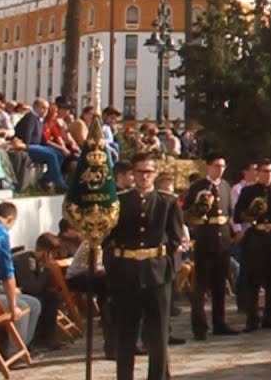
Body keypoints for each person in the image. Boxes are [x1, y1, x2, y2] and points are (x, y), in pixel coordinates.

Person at [104, 153, 183, 380]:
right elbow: (108, 237)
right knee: (126, 333)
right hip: (127, 272)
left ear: (155, 174)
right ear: (132, 174)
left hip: (156, 273)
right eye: (139, 172)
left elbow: (175, 238)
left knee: (157, 336)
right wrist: (113, 265)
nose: (144, 176)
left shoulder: (167, 201)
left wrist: (166, 266)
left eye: (149, 172)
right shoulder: (119, 201)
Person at [183, 152, 238, 340]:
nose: (220, 170)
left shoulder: (224, 186)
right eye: (216, 166)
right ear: (208, 166)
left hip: (222, 240)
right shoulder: (198, 187)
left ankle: (219, 322)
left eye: (223, 166)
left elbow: (228, 212)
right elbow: (188, 213)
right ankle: (199, 326)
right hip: (205, 239)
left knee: (220, 284)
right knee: (201, 286)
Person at [233, 158, 271, 331]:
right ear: (257, 173)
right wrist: (249, 214)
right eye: (265, 172)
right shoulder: (248, 191)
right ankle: (252, 319)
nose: (269, 175)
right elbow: (237, 215)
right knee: (253, 281)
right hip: (255, 237)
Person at [0, 202, 42, 355]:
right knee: (22, 306)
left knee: (34, 304)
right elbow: (7, 273)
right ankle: (14, 353)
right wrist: (13, 304)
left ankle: (23, 347)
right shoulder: (1, 235)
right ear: (10, 219)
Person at [13, 234, 63, 351]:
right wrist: (45, 270)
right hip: (20, 293)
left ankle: (49, 337)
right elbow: (32, 287)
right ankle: (36, 340)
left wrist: (47, 270)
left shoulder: (39, 263)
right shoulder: (24, 260)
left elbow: (47, 285)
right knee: (39, 301)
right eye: (51, 254)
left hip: (31, 292)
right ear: (45, 252)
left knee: (53, 296)